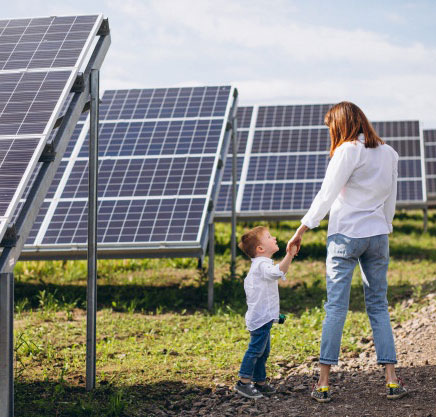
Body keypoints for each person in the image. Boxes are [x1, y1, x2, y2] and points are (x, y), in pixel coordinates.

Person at [287, 101, 407, 403]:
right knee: (378, 305)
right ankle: (392, 380)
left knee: (336, 308)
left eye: (332, 127)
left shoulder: (347, 150)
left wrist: (302, 229)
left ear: (340, 125)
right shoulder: (389, 153)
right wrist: (386, 225)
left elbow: (327, 193)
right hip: (378, 235)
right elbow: (391, 197)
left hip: (345, 236)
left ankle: (324, 383)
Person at [235, 226, 298, 399]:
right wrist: (290, 255)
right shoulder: (262, 265)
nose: (275, 238)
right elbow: (278, 273)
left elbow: (264, 296)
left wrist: (275, 316)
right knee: (256, 350)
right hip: (260, 319)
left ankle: (260, 382)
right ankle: (243, 382)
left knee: (263, 352)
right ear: (260, 249)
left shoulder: (261, 265)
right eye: (269, 237)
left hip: (264, 318)